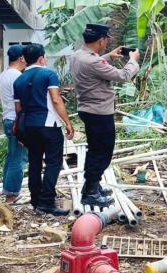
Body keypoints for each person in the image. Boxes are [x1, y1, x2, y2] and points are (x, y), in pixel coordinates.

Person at [70, 23, 140, 207]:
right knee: (102, 152)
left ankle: (92, 187)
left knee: (95, 150)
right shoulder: (93, 61)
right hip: (99, 112)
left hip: (88, 110)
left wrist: (109, 56)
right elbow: (123, 75)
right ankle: (91, 192)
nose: (107, 42)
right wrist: (133, 59)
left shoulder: (78, 56)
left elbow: (95, 65)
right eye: (106, 39)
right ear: (101, 40)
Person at [14, 43, 74, 216]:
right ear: (41, 58)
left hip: (29, 126)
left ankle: (35, 200)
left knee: (34, 162)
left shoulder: (19, 80)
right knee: (53, 162)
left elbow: (18, 109)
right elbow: (56, 100)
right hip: (48, 125)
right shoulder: (48, 74)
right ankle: (47, 201)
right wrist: (68, 123)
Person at [0, 45, 27, 203]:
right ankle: (12, 195)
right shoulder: (18, 77)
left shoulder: (4, 75)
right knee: (19, 158)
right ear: (22, 58)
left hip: (7, 119)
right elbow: (21, 104)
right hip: (17, 120)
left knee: (11, 156)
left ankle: (8, 190)